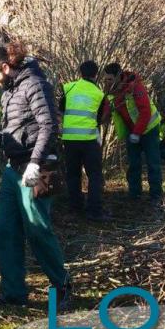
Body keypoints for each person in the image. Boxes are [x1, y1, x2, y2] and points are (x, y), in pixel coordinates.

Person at [0, 42, 72, 309]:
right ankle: (14, 292)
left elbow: (50, 125)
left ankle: (63, 285)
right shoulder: (9, 91)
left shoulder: (35, 84)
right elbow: (11, 131)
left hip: (35, 169)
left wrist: (35, 162)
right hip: (13, 169)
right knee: (6, 229)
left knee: (37, 230)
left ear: (6, 67)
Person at [102, 62, 163, 207]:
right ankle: (134, 194)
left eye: (109, 79)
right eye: (105, 79)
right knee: (134, 163)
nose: (106, 82)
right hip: (132, 130)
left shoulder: (135, 86)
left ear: (118, 77)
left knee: (152, 162)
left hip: (149, 128)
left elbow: (145, 112)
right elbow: (106, 110)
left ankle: (156, 195)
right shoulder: (110, 91)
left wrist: (137, 133)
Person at [59, 60, 108, 221]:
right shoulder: (99, 94)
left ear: (80, 72)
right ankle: (94, 211)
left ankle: (75, 207)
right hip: (89, 139)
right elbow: (100, 118)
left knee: (72, 174)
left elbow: (61, 110)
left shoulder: (69, 88)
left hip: (69, 138)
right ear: (96, 74)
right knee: (94, 175)